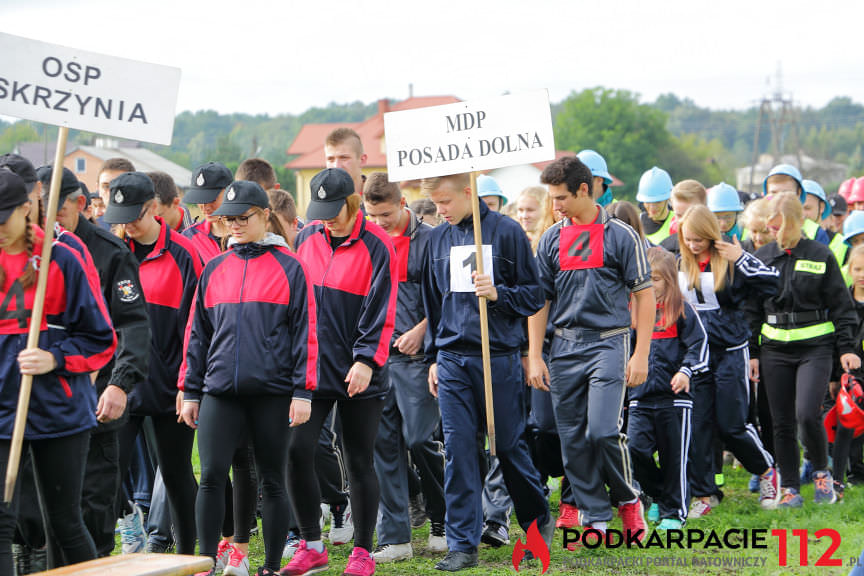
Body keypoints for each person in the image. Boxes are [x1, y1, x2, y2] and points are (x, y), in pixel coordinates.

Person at [182, 180, 317, 576]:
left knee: (273, 480)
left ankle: (272, 567)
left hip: (273, 393)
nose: (235, 226)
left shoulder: (291, 267)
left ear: (263, 216)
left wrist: (303, 392)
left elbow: (305, 334)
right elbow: (198, 334)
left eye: (244, 218)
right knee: (209, 477)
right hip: (220, 392)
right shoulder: (214, 268)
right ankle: (206, 564)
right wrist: (190, 390)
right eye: (229, 219)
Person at [421, 172, 553, 571]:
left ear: (467, 192)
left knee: (508, 447)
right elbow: (432, 302)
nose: (439, 210)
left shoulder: (507, 232)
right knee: (460, 449)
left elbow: (534, 295)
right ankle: (463, 542)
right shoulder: (437, 239)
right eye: (434, 203)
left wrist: (498, 294)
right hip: (453, 359)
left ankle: (535, 522)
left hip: (498, 357)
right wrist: (432, 356)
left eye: (444, 201)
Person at [527, 156, 651, 545]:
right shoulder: (549, 238)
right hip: (563, 346)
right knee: (572, 437)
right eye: (551, 198)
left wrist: (641, 353)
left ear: (585, 189)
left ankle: (629, 500)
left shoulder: (621, 235)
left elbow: (644, 296)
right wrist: (534, 354)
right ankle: (594, 513)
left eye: (561, 197)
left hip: (609, 342)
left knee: (601, 430)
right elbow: (539, 301)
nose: (555, 205)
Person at [0, 170, 117, 572]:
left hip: (59, 411)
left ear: (26, 208)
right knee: (0, 524)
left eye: (3, 219)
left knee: (65, 521)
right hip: (1, 413)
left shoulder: (62, 259)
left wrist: (56, 358)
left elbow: (101, 340)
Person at [34, 165, 151, 556]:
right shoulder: (34, 253)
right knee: (49, 517)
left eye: (55, 208)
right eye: (38, 207)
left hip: (98, 403)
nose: (46, 218)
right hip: (48, 405)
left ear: (80, 204)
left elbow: (133, 326)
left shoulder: (108, 253)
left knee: (92, 513)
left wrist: (121, 383)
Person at [285, 167, 396, 576]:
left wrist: (366, 360)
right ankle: (312, 545)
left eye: (334, 209)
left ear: (353, 202)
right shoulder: (307, 237)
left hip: (358, 371)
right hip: (313, 368)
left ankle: (363, 550)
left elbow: (382, 309)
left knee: (359, 460)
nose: (326, 217)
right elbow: (297, 301)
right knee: (297, 451)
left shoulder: (379, 246)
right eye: (320, 209)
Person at [102, 173, 202, 558]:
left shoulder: (184, 253)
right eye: (120, 215)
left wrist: (186, 383)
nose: (127, 223)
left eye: (134, 215)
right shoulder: (112, 252)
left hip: (168, 386)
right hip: (120, 386)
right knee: (109, 475)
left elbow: (196, 326)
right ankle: (121, 535)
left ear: (155, 208)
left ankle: (191, 554)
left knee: (177, 474)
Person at [749, 192, 859, 507]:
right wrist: (754, 353)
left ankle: (821, 474)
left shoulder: (821, 255)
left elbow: (842, 307)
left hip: (815, 348)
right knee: (781, 421)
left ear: (795, 221)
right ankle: (791, 488)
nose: (770, 229)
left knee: (807, 414)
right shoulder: (763, 258)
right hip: (774, 351)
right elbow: (752, 310)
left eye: (777, 223)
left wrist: (846, 348)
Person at [362, 173, 446, 563]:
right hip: (377, 359)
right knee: (383, 447)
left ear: (402, 203)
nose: (378, 221)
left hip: (415, 358)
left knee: (420, 440)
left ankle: (442, 520)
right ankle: (395, 536)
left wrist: (423, 330)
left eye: (384, 213)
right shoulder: (366, 241)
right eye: (371, 214)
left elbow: (448, 298)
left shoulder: (431, 239)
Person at [676, 205, 781, 517]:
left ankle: (765, 472)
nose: (694, 245)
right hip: (697, 354)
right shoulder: (680, 263)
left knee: (732, 424)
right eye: (689, 239)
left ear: (711, 235)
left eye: (699, 240)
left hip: (731, 352)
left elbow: (772, 283)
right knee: (698, 426)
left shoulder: (732, 262)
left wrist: (742, 258)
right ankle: (704, 493)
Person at [628, 248, 708, 531]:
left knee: (675, 459)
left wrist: (686, 371)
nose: (651, 285)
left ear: (670, 281)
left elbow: (700, 345)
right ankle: (660, 495)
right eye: (646, 279)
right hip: (639, 397)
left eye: (657, 279)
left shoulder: (682, 310)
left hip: (675, 401)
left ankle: (675, 511)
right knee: (634, 450)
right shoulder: (633, 312)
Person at [763, 164, 830, 245]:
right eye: (774, 193)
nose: (779, 198)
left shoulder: (816, 233)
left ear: (799, 193)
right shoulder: (757, 228)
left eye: (785, 193)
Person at [661, 179, 707, 253]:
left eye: (689, 214)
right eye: (679, 215)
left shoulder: (724, 250)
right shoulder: (666, 250)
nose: (683, 221)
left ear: (705, 211)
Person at [637, 166, 675, 245]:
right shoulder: (637, 223)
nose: (652, 207)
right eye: (647, 202)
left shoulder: (678, 222)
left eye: (658, 202)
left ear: (668, 198)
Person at [325, 128, 367, 197]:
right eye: (331, 159)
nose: (336, 166)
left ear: (362, 160)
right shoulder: (322, 200)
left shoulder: (382, 198)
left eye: (344, 158)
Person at [516, 186, 554, 254]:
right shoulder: (517, 242)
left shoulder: (553, 241)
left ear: (545, 210)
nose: (524, 216)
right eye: (520, 210)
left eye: (530, 210)